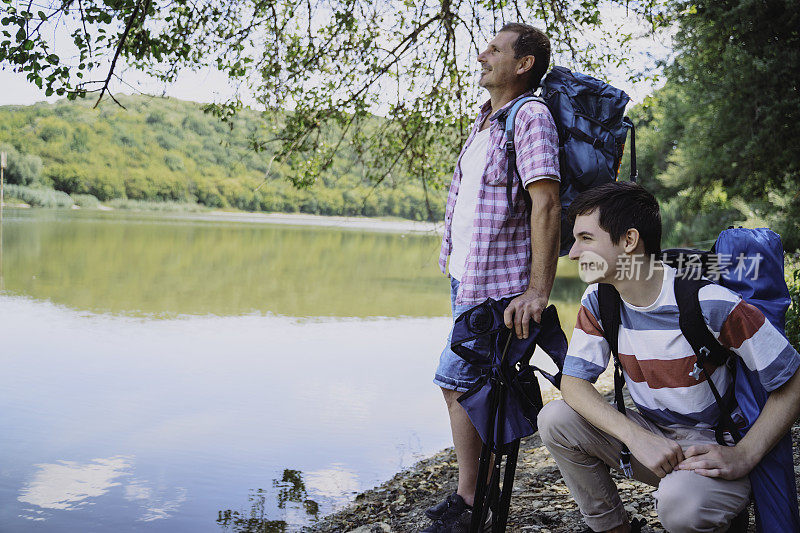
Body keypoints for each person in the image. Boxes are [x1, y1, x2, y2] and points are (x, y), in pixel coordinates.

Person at [537, 182, 800, 533]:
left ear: (629, 241)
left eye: (585, 239)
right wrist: (636, 437)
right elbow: (572, 384)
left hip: (714, 447)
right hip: (654, 438)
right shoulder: (600, 300)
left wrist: (745, 455)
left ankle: (717, 504)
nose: (572, 253)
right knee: (555, 418)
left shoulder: (709, 302)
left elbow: (793, 378)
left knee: (678, 505)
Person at [425, 22, 561, 532]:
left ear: (523, 64)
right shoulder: (488, 119)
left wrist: (538, 291)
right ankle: (473, 496)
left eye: (495, 49)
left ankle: (470, 499)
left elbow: (546, 203)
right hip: (468, 280)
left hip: (499, 288)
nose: (482, 55)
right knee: (466, 386)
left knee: (454, 381)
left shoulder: (530, 117)